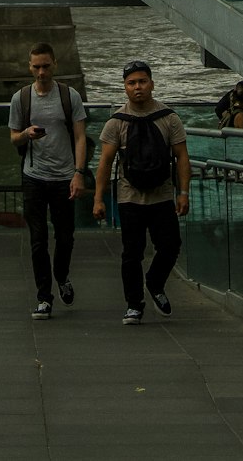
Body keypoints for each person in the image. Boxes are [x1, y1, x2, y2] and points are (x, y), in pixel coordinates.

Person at [93, 60, 190, 326]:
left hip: (162, 195)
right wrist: (98, 199)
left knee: (170, 246)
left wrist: (183, 193)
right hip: (129, 197)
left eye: (142, 81)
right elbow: (104, 163)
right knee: (131, 253)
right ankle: (134, 305)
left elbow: (182, 157)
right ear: (124, 87)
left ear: (152, 83)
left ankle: (155, 283)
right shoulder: (116, 123)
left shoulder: (169, 118)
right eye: (132, 83)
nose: (138, 87)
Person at [8, 42, 88, 320]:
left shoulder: (69, 96)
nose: (41, 72)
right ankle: (44, 297)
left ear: (54, 65)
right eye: (36, 67)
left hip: (64, 177)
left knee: (65, 237)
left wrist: (79, 173)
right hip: (33, 176)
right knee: (38, 240)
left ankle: (62, 275)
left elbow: (80, 137)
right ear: (29, 67)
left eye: (45, 66)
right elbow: (13, 137)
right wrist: (26, 133)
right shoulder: (21, 98)